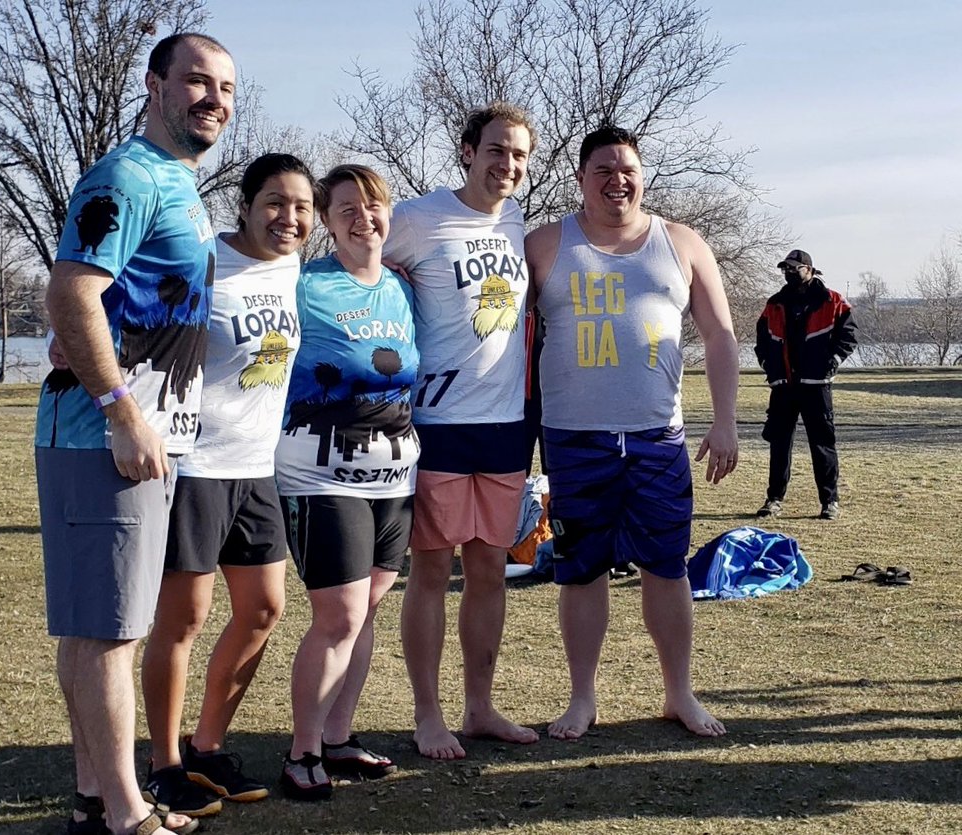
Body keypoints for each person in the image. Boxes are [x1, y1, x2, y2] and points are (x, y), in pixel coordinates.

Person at [33, 32, 234, 835]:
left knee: (95, 627)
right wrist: (120, 408)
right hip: (104, 439)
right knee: (112, 633)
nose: (212, 97)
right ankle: (125, 813)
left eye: (224, 86)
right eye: (195, 81)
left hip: (142, 437)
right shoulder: (125, 175)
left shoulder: (179, 182)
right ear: (154, 85)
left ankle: (94, 793)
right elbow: (72, 291)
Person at [525, 125, 739, 741]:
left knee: (666, 567)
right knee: (580, 570)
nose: (617, 180)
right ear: (581, 179)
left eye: (627, 169)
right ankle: (582, 697)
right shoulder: (544, 245)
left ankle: (679, 693)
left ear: (641, 176)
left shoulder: (683, 243)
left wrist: (725, 421)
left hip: (657, 438)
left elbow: (722, 336)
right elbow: (501, 333)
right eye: (603, 170)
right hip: (573, 438)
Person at [138, 154, 314, 816]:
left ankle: (208, 745)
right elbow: (116, 301)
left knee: (264, 608)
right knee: (182, 619)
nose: (289, 217)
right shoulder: (203, 262)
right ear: (243, 204)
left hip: (256, 468)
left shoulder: (296, 270)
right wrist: (67, 339)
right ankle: (163, 764)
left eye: (302, 207)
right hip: (194, 466)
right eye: (275, 202)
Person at [383, 102, 540, 760]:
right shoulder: (416, 219)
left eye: (520, 156)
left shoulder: (518, 222)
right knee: (429, 572)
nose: (508, 165)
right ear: (468, 151)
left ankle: (480, 706)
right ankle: (428, 714)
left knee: (489, 571)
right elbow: (360, 274)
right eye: (497, 150)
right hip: (437, 423)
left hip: (506, 426)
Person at [275, 164, 419, 800]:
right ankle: (302, 749)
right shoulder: (303, 286)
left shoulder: (402, 288)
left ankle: (339, 736)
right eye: (345, 210)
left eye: (373, 205)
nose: (363, 218)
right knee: (338, 616)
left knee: (366, 614)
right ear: (326, 224)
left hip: (395, 476)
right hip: (319, 474)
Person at [754, 249, 857, 520]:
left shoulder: (833, 300)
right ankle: (773, 499)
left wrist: (833, 360)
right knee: (779, 445)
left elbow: (848, 335)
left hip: (816, 384)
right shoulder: (774, 303)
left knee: (822, 444)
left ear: (809, 270)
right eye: (785, 269)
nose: (789, 273)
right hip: (784, 386)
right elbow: (762, 340)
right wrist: (768, 364)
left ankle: (829, 501)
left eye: (794, 269)